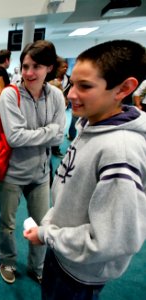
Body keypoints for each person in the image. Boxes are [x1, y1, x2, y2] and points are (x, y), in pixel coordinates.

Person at [24, 40, 146, 300]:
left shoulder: (120, 151)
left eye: (85, 86)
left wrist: (48, 234)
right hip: (63, 253)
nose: (70, 94)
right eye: (72, 84)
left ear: (124, 88)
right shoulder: (90, 126)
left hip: (80, 272)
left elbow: (110, 240)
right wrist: (51, 230)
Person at [0, 40, 66, 285]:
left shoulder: (56, 95)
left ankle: (37, 266)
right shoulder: (9, 94)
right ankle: (8, 260)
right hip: (11, 174)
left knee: (42, 225)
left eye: (36, 66)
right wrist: (49, 131)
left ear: (49, 67)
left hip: (41, 174)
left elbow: (61, 135)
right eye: (25, 66)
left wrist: (41, 134)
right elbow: (15, 138)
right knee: (8, 223)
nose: (28, 72)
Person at [49, 57, 71, 157]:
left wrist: (66, 99)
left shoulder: (69, 79)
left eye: (67, 67)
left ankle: (55, 149)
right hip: (50, 108)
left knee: (60, 128)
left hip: (62, 107)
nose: (65, 69)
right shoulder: (49, 80)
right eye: (63, 67)